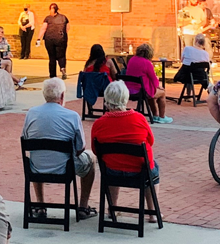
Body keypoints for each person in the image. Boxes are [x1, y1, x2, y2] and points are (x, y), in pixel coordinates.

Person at [22, 78, 96, 220]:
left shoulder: (31, 113)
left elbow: (25, 139)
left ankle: (40, 204)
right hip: (65, 168)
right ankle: (82, 206)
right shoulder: (72, 116)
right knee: (91, 158)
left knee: (36, 156)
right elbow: (80, 148)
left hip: (37, 167)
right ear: (62, 96)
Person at [90, 80, 160, 213]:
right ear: (126, 98)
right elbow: (150, 141)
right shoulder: (139, 119)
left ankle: (112, 208)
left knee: (111, 164)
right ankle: (152, 212)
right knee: (152, 167)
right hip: (139, 170)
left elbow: (95, 150)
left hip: (112, 170)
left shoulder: (99, 124)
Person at [124, 43, 172, 124]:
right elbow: (153, 79)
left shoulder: (132, 60)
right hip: (141, 91)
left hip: (129, 89)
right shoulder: (147, 63)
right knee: (162, 93)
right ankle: (162, 117)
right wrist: (158, 86)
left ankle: (155, 115)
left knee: (152, 93)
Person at [37, 3, 70, 79]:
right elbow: (67, 28)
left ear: (51, 9)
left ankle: (52, 75)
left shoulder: (48, 18)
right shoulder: (64, 17)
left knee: (52, 57)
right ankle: (62, 67)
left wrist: (39, 38)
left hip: (49, 39)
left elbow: (43, 28)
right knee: (61, 55)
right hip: (61, 39)